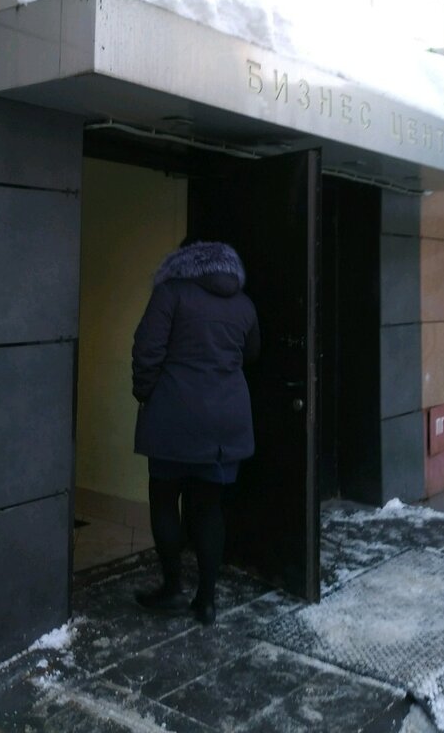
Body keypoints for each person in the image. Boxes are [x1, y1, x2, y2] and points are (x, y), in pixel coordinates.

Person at [131, 239, 260, 625]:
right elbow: (252, 354)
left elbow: (146, 349)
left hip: (173, 416)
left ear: (182, 262)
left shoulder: (170, 293)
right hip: (225, 421)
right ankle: (206, 600)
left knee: (164, 500)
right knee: (208, 508)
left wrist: (145, 393)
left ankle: (172, 588)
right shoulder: (244, 304)